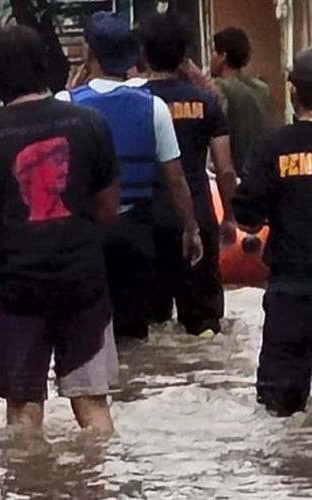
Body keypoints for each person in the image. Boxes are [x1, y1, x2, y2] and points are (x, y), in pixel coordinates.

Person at [0, 25, 120, 433]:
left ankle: (28, 490)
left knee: (23, 413)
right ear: (46, 66)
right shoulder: (91, 125)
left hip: (18, 291)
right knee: (93, 408)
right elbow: (108, 209)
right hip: (85, 285)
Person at [57, 12, 202, 339]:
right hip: (135, 234)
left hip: (84, 236)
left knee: (86, 334)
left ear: (88, 52)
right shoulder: (153, 107)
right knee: (135, 331)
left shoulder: (65, 104)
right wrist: (191, 228)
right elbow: (176, 179)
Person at [140, 13, 238, 338]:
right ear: (185, 56)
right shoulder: (206, 102)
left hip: (147, 221)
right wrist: (231, 218)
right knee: (205, 329)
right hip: (197, 218)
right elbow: (224, 169)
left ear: (144, 53)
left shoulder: (136, 102)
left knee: (151, 328)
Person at [232, 48, 312, 416]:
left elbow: (247, 216)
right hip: (289, 289)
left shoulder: (270, 149)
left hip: (290, 294)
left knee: (280, 413)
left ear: (293, 92)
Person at [210, 27, 276, 178]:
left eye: (213, 51)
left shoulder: (220, 90)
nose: (210, 58)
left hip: (239, 175)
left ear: (223, 56)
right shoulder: (262, 89)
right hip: (266, 172)